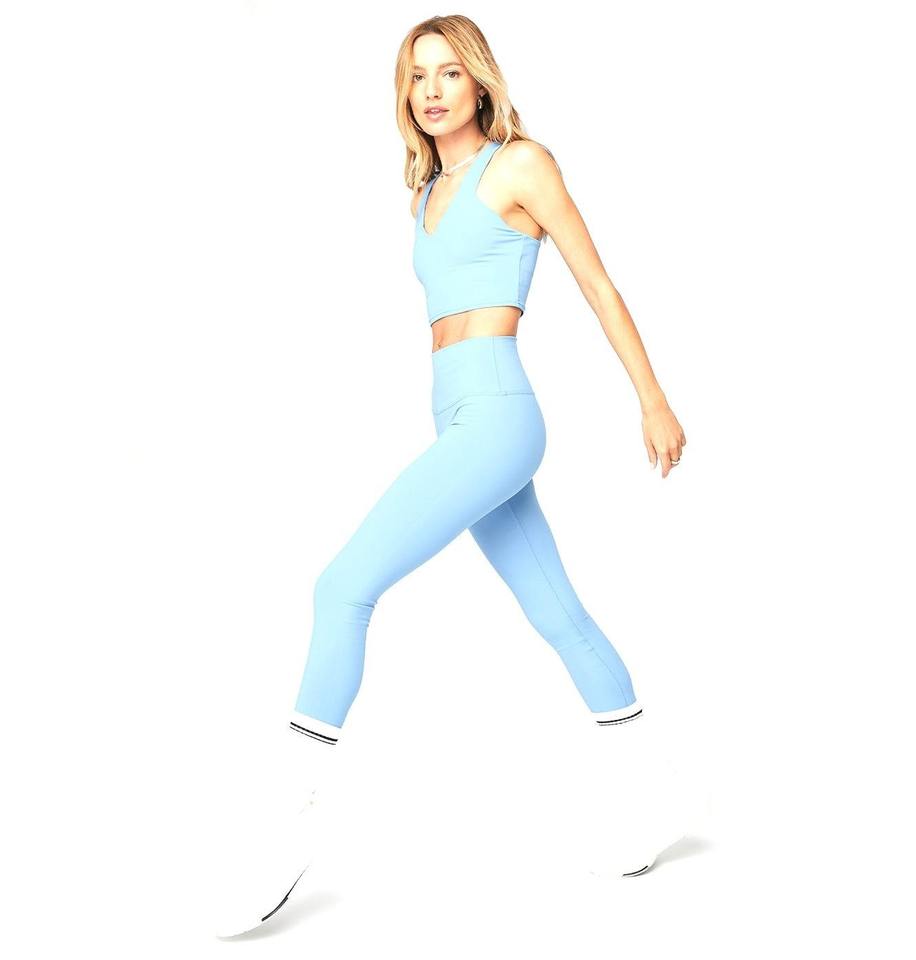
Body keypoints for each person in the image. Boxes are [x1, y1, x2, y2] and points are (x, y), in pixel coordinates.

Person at [212, 15, 693, 938]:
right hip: (460, 413)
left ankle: (285, 822)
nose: (432, 90)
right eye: (416, 76)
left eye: (448, 73)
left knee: (341, 587)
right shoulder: (426, 191)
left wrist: (653, 400)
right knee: (557, 612)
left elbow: (598, 284)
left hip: (499, 416)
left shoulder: (521, 165)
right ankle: (654, 787)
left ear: (480, 82)